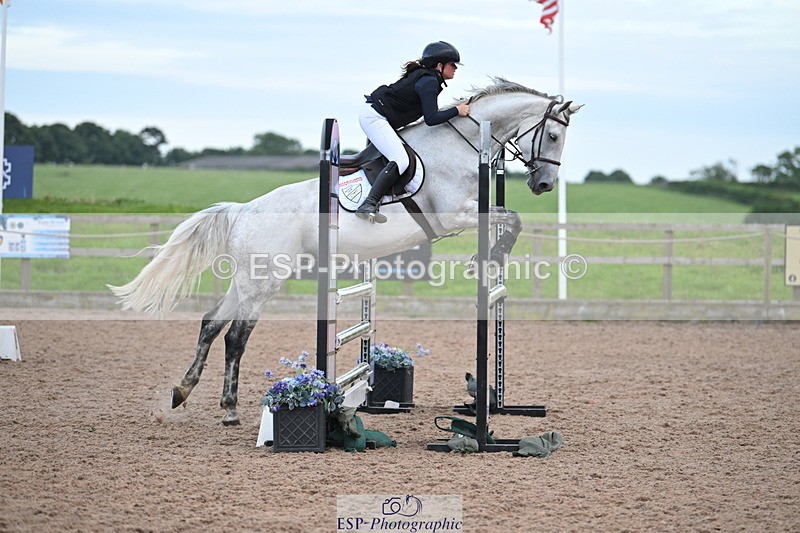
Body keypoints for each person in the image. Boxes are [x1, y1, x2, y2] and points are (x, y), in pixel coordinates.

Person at [356, 41, 470, 223]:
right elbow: (431, 119)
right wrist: (457, 111)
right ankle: (369, 203)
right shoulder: (429, 82)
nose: (455, 68)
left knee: (396, 157)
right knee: (400, 160)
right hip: (375, 118)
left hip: (379, 117)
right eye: (452, 64)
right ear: (439, 65)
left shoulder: (429, 79)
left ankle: (382, 200)